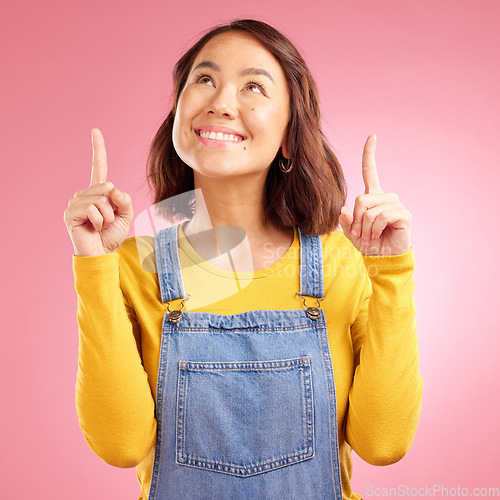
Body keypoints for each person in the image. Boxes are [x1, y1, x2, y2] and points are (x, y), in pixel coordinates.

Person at [64, 19, 422, 500]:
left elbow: (382, 443)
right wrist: (93, 264)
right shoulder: (134, 263)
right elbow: (121, 446)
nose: (221, 102)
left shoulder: (343, 262)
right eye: (204, 79)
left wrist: (392, 269)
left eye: (253, 86)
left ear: (290, 137)